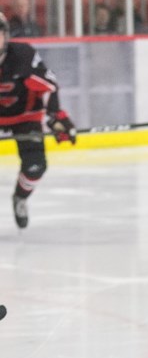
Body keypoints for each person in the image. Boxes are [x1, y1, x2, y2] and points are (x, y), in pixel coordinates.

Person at [0, 13, 77, 228]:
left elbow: (48, 86)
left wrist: (56, 117)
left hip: (26, 116)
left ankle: (20, 198)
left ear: (5, 35)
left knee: (35, 166)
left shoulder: (21, 55)